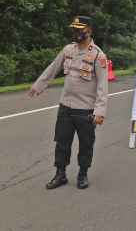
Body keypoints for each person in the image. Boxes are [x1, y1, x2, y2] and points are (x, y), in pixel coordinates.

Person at [28, 16, 108, 190]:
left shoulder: (98, 55)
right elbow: (53, 67)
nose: (76, 33)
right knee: (62, 141)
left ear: (89, 32)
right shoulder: (68, 50)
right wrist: (38, 85)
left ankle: (83, 174)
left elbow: (102, 84)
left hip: (85, 107)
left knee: (86, 143)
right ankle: (60, 174)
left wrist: (99, 110)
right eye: (74, 30)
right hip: (66, 105)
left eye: (80, 30)